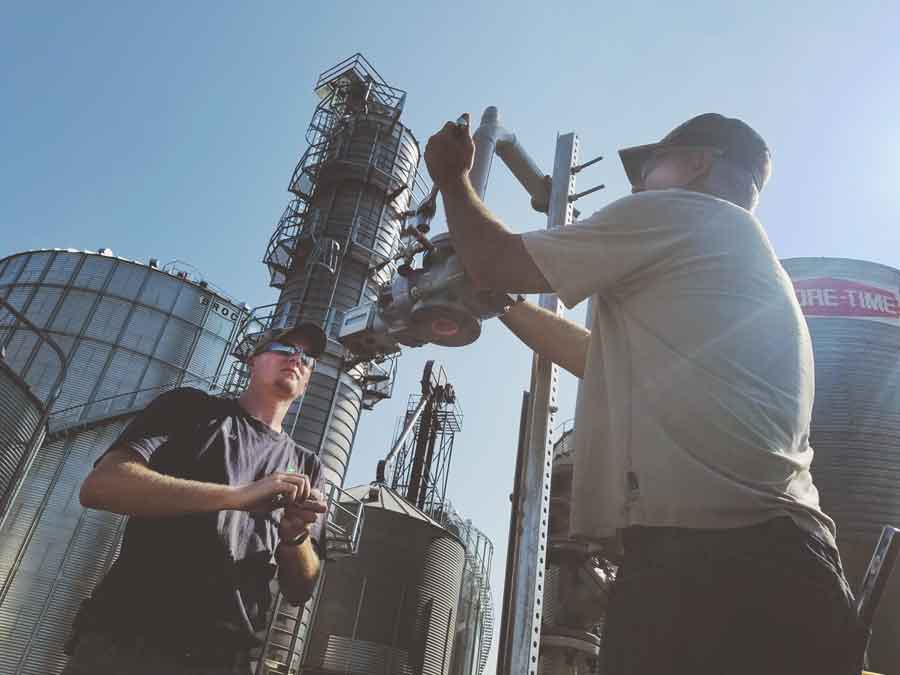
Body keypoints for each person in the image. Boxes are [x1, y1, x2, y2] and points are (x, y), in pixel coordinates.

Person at [425, 113, 867, 674]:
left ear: (699, 162)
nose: (636, 184)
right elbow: (593, 356)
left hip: (713, 569)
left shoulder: (681, 214)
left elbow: (493, 257)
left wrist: (453, 179)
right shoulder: (728, 260)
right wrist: (504, 303)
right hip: (785, 570)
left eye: (649, 164)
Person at [64, 322, 330, 675]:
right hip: (130, 641)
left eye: (307, 357)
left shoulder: (308, 466)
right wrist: (237, 496)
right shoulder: (190, 409)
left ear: (308, 380)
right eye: (284, 349)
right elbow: (101, 485)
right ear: (253, 359)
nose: (296, 358)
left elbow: (300, 590)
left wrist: (295, 536)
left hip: (223, 658)